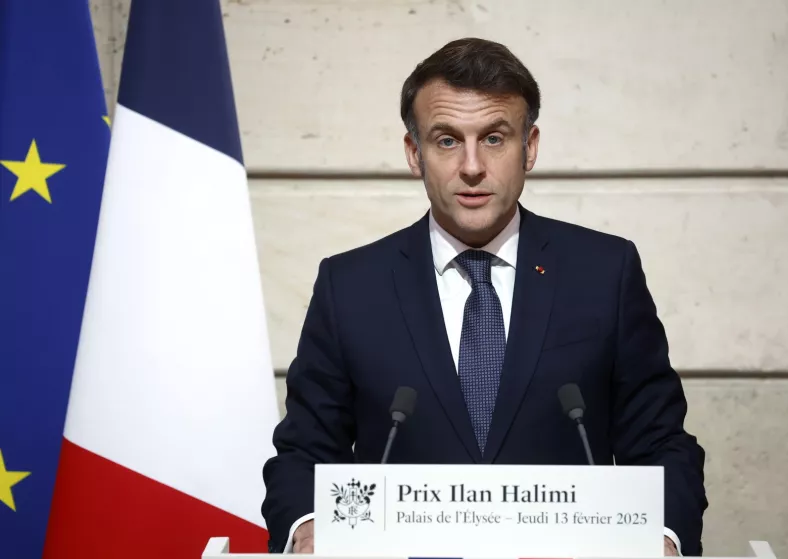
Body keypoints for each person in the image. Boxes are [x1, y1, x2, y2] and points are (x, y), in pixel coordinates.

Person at [261, 37, 708, 556]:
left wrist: (663, 536)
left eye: (494, 138)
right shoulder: (351, 285)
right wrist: (309, 528)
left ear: (530, 147)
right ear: (414, 153)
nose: (472, 167)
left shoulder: (605, 272)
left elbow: (659, 442)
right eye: (447, 140)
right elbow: (305, 449)